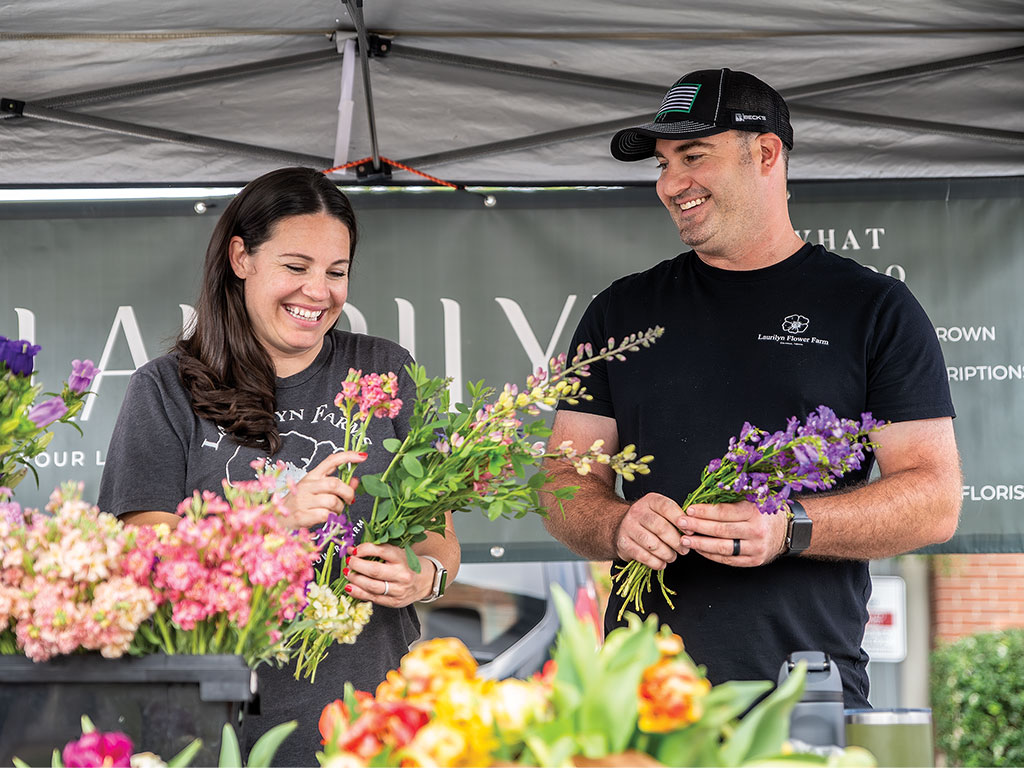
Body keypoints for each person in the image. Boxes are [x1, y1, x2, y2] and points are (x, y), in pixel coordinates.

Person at [542, 68, 961, 707]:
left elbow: (934, 498)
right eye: (661, 163)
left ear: (765, 153)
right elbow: (561, 480)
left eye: (693, 156)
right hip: (644, 700)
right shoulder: (620, 312)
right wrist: (616, 521)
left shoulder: (873, 308)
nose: (670, 184)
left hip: (807, 693)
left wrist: (788, 526)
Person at [98, 167, 460, 765]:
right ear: (242, 258)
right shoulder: (166, 388)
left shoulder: (384, 369)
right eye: (296, 267)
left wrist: (425, 577)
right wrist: (271, 518)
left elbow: (439, 534)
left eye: (336, 273)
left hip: (371, 715)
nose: (318, 292)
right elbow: (141, 556)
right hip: (214, 721)